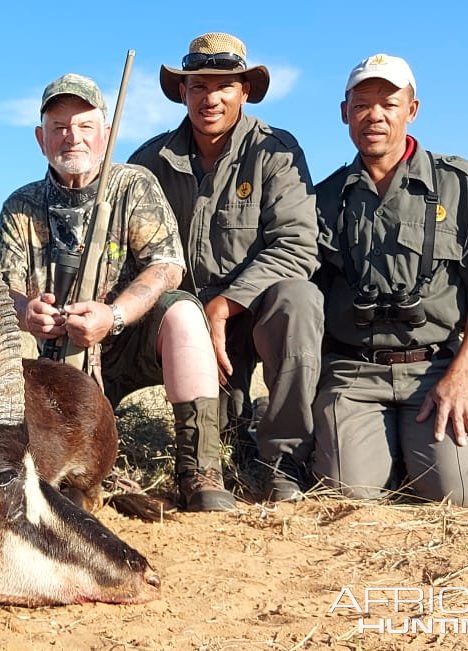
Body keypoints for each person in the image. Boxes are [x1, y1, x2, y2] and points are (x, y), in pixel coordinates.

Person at [0, 73, 235, 511]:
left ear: (105, 134)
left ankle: (200, 470)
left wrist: (115, 315)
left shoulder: (133, 185)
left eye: (85, 126)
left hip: (124, 344)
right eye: (59, 127)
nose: (73, 137)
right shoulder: (19, 206)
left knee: (182, 313)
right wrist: (27, 311)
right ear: (40, 138)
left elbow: (167, 267)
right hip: (50, 362)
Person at [313, 53, 468, 506]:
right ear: (344, 113)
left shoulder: (462, 184)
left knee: (459, 496)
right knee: (347, 494)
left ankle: (426, 455)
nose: (375, 115)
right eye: (362, 104)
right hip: (353, 373)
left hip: (436, 370)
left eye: (389, 103)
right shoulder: (322, 198)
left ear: (412, 110)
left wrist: (461, 375)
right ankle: (386, 452)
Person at [128, 32, 323, 502]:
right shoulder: (147, 161)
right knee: (227, 430)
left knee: (299, 300)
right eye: (198, 86)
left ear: (245, 91)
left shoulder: (276, 151)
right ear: (182, 92)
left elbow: (297, 245)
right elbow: (124, 248)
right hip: (181, 320)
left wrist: (223, 306)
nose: (209, 98)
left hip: (249, 313)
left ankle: (285, 460)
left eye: (223, 87)